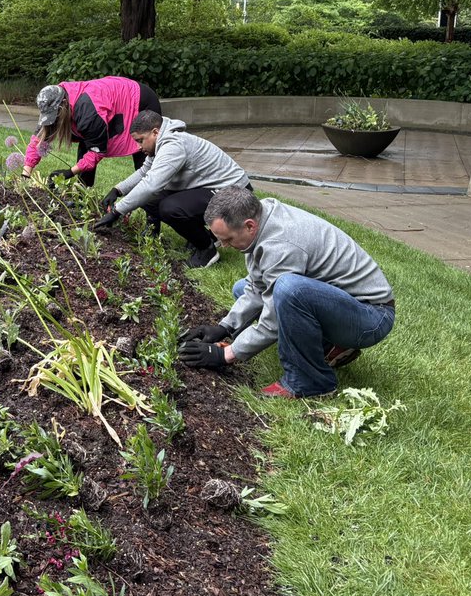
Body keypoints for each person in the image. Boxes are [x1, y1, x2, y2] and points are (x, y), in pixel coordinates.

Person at [178, 187, 395, 398]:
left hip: (371, 317)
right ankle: (329, 346)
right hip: (342, 305)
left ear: (249, 226)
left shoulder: (280, 243)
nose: (224, 245)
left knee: (288, 290)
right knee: (241, 288)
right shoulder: (260, 218)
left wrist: (226, 354)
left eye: (228, 239)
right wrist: (225, 327)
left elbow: (272, 321)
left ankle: (311, 381)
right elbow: (257, 287)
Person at [91, 110, 251, 268]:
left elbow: (151, 185)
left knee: (170, 208)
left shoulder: (173, 145)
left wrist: (117, 212)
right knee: (151, 200)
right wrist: (117, 190)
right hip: (213, 189)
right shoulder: (160, 144)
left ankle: (206, 250)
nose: (138, 147)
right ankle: (206, 236)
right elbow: (144, 172)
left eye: (140, 140)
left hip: (235, 196)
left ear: (155, 132)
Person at [21, 77, 161, 187]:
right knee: (85, 144)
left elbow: (97, 151)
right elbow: (39, 139)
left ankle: (152, 219)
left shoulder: (87, 112)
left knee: (144, 162)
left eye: (55, 116)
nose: (53, 120)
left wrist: (69, 173)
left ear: (63, 104)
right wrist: (25, 175)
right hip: (107, 101)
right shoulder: (52, 100)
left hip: (139, 100)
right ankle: (82, 200)